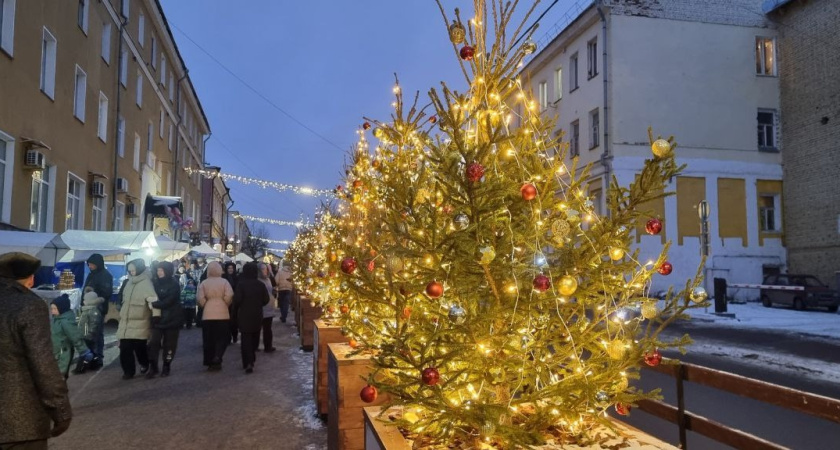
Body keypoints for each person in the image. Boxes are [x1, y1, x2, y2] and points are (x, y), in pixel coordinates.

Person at [0, 252, 72, 448]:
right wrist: (61, 410)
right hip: (20, 423)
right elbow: (42, 363)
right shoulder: (29, 305)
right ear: (30, 279)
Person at [116, 259, 156, 380]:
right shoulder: (128, 283)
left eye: (133, 270)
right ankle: (128, 371)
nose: (132, 272)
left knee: (140, 348)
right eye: (130, 270)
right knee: (124, 348)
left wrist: (156, 316)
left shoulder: (147, 283)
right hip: (126, 321)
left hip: (141, 321)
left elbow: (153, 300)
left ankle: (144, 363)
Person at [147, 261, 183, 378]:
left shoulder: (174, 284)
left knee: (170, 345)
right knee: (153, 343)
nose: (159, 273)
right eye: (158, 270)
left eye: (161, 270)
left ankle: (167, 365)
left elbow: (169, 301)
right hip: (157, 319)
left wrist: (154, 304)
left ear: (167, 271)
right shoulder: (154, 283)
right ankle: (153, 366)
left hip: (172, 319)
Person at [233, 262, 270, 374]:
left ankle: (247, 361)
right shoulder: (260, 285)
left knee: (245, 339)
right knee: (255, 336)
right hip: (257, 314)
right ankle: (252, 358)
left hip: (244, 314)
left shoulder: (241, 284)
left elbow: (237, 300)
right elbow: (266, 299)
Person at [197, 262, 233, 371]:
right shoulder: (224, 282)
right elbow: (229, 294)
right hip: (222, 314)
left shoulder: (204, 283)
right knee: (222, 337)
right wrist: (225, 303)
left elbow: (199, 298)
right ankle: (218, 356)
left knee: (209, 339)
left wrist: (205, 304)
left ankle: (210, 361)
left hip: (208, 314)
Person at [50, 295, 94, 379]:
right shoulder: (56, 319)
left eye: (55, 309)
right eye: (51, 309)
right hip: (56, 351)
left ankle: (60, 388)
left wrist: (84, 351)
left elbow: (75, 337)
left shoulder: (66, 322)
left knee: (60, 374)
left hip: (63, 352)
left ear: (62, 308)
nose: (52, 311)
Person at [83, 253, 113, 359]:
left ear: (98, 264)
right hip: (88, 309)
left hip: (98, 309)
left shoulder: (105, 275)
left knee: (97, 334)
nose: (90, 266)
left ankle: (98, 357)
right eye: (89, 264)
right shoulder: (92, 274)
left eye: (92, 264)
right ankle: (91, 356)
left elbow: (106, 293)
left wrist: (94, 300)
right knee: (89, 333)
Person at [74, 288, 105, 374]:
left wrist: (90, 334)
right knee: (91, 352)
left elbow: (94, 324)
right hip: (85, 334)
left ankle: (81, 368)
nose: (83, 301)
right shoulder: (87, 310)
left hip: (88, 336)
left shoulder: (93, 311)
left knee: (84, 353)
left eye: (84, 299)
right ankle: (94, 364)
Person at [257, 262, 276, 352]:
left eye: (266, 269)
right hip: (261, 307)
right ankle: (255, 346)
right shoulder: (257, 280)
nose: (265, 270)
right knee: (257, 328)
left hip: (269, 307)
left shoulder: (268, 279)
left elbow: (273, 285)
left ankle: (268, 346)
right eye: (263, 269)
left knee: (268, 329)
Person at [221, 262, 239, 344]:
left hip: (234, 302)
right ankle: (227, 338)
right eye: (229, 268)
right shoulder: (223, 278)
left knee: (234, 321)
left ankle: (234, 336)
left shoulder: (236, 278)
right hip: (225, 302)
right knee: (226, 321)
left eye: (232, 268)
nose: (230, 270)